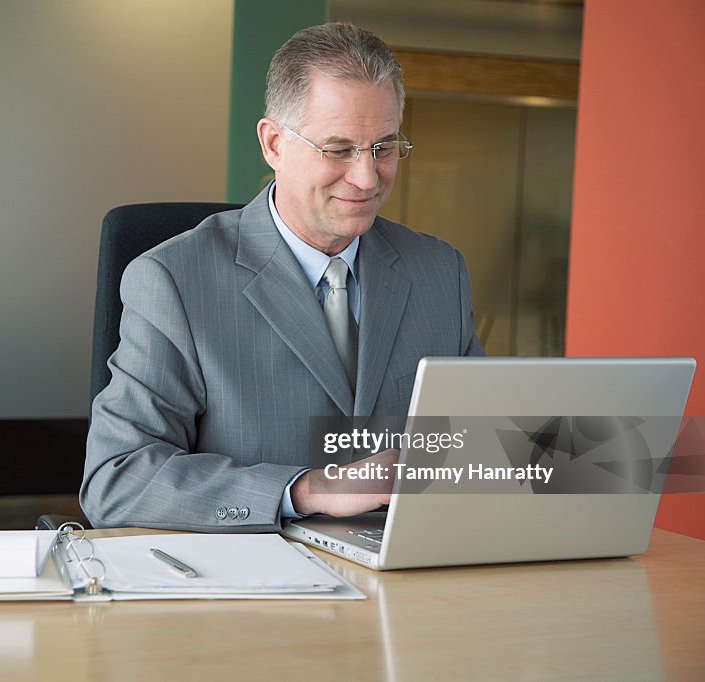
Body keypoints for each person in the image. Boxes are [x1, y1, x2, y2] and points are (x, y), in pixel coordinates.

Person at [81, 22, 483, 532]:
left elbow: (476, 447)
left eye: (383, 147)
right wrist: (307, 489)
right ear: (273, 144)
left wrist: (582, 454)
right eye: (339, 149)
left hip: (409, 580)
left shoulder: (438, 272)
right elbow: (116, 481)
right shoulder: (173, 281)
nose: (366, 177)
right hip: (252, 588)